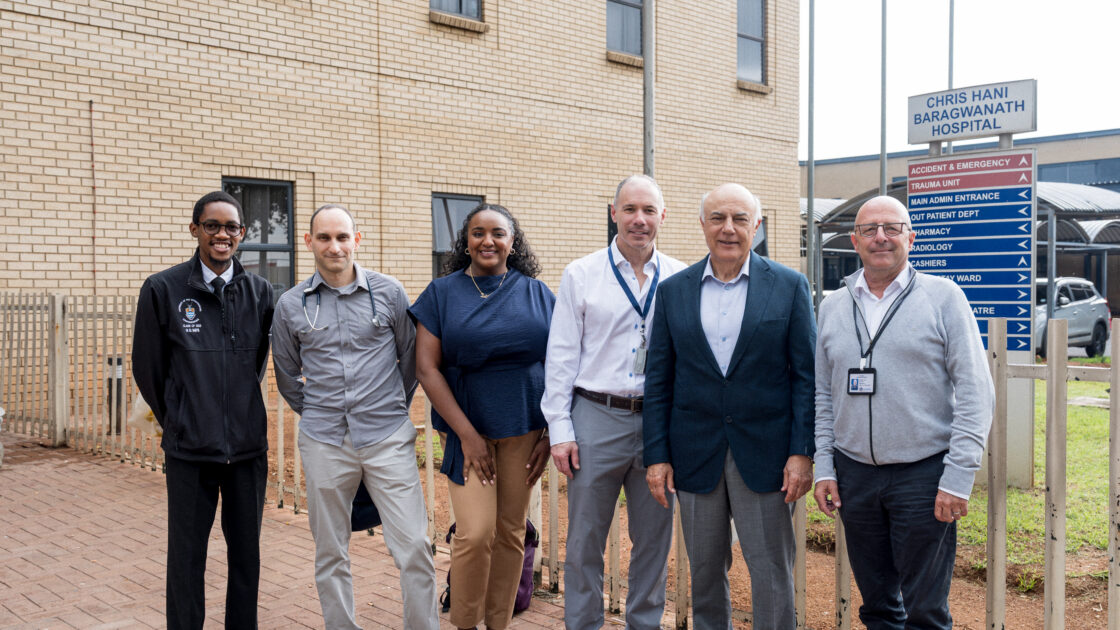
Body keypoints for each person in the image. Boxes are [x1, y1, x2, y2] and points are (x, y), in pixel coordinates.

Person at [813, 195, 994, 630]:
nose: (881, 237)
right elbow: (823, 395)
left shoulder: (943, 297)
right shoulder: (833, 305)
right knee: (877, 608)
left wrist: (958, 478)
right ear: (854, 241)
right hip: (855, 475)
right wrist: (825, 466)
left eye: (892, 228)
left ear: (910, 238)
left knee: (925, 611)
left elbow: (975, 390)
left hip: (923, 475)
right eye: (870, 229)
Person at [643, 183, 815, 630]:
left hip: (766, 456)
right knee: (703, 572)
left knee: (771, 572)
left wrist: (801, 452)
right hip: (694, 454)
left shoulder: (789, 286)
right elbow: (659, 381)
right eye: (718, 218)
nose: (728, 229)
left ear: (756, 226)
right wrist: (657, 456)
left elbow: (805, 377)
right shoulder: (673, 291)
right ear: (703, 224)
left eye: (740, 219)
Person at [270, 204, 438, 630]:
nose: (335, 246)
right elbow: (287, 375)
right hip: (325, 441)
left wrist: (388, 407)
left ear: (356, 240)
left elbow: (409, 361)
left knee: (414, 546)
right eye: (324, 237)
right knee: (330, 551)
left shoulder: (389, 292)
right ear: (309, 242)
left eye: (343, 237)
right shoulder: (291, 305)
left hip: (387, 437)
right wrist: (319, 413)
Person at [541, 174, 687, 630]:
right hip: (595, 416)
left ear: (663, 216)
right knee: (585, 540)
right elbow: (561, 356)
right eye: (630, 209)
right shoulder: (581, 274)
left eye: (649, 210)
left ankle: (644, 623)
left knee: (654, 540)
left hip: (659, 422)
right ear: (614, 214)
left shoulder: (681, 277)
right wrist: (560, 430)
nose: (639, 219)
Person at [132, 190, 274, 630]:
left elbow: (256, 363)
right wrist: (181, 418)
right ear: (195, 229)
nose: (221, 235)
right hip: (190, 451)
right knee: (187, 557)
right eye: (212, 225)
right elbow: (148, 369)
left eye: (231, 227)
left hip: (247, 451)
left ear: (242, 233)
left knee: (246, 557)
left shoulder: (260, 292)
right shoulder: (163, 289)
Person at [411, 203, 555, 630]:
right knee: (474, 533)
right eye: (478, 233)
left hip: (525, 428)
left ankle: (498, 623)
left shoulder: (538, 294)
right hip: (466, 428)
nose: (487, 241)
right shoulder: (442, 293)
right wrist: (467, 436)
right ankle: (465, 622)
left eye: (498, 233)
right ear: (466, 240)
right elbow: (426, 369)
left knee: (510, 532)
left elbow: (562, 364)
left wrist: (552, 431)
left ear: (513, 242)